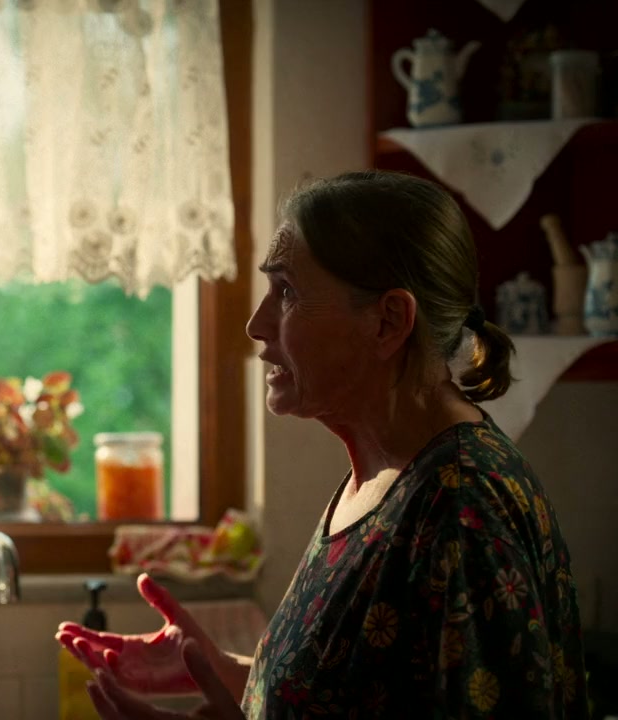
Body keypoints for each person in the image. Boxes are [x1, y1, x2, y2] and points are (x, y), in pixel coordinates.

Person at [57, 170, 589, 718]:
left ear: (388, 322)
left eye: (286, 292)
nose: (256, 324)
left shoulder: (460, 507)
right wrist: (230, 672)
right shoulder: (383, 477)